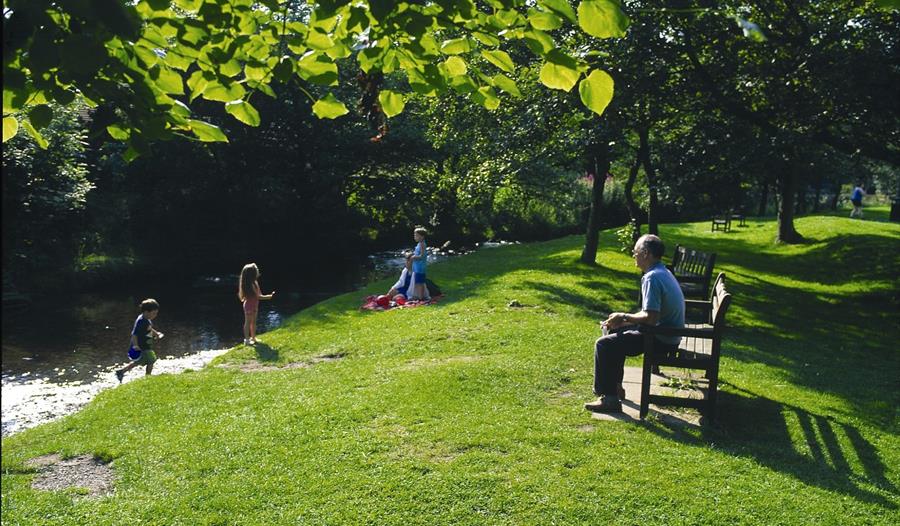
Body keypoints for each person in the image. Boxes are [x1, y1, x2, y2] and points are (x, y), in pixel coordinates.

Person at [585, 234, 685, 413]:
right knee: (616, 334)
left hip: (661, 339)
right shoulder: (662, 271)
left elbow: (651, 318)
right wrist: (623, 321)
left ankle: (608, 399)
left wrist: (623, 316)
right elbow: (650, 314)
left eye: (635, 252)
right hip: (668, 333)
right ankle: (615, 389)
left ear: (645, 253)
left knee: (604, 344)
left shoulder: (652, 278)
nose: (634, 255)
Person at [115, 299, 164, 382]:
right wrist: (135, 345)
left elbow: (149, 328)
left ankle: (121, 371)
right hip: (142, 346)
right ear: (146, 312)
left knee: (138, 361)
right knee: (151, 360)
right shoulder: (141, 321)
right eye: (153, 313)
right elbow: (134, 334)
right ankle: (148, 378)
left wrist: (156, 334)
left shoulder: (146, 319)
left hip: (145, 345)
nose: (155, 315)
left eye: (156, 313)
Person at [239, 263, 275, 345]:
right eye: (256, 270)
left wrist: (267, 296)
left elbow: (259, 295)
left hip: (254, 305)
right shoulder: (250, 285)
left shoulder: (255, 283)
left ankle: (253, 338)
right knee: (248, 322)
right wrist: (269, 297)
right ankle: (247, 340)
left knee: (254, 322)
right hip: (249, 306)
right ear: (252, 273)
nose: (258, 271)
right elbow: (258, 297)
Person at [410, 226, 428, 300]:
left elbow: (422, 256)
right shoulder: (419, 244)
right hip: (417, 266)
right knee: (417, 282)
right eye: (415, 235)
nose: (415, 237)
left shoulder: (422, 244)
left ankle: (421, 297)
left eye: (417, 235)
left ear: (422, 236)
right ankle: (419, 296)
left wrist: (414, 257)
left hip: (420, 266)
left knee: (420, 282)